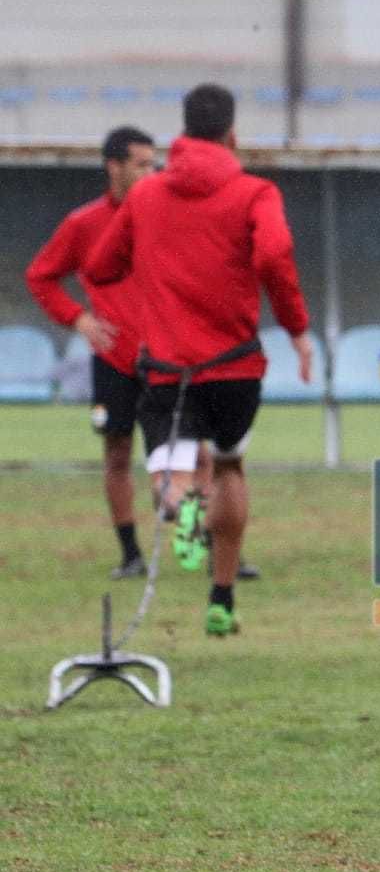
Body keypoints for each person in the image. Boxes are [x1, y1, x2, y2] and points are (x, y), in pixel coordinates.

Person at [86, 83, 311, 636]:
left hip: (167, 368)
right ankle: (222, 599)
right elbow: (276, 256)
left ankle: (177, 502)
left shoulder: (145, 196)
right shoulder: (257, 193)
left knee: (173, 469)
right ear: (232, 135)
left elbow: (100, 265)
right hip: (236, 368)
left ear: (181, 134)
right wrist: (296, 329)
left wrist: (156, 264)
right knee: (230, 466)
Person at [26, 126, 157, 579]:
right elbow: (41, 276)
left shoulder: (165, 216)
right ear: (114, 166)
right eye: (141, 164)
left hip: (167, 356)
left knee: (189, 456)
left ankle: (206, 549)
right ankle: (131, 554)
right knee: (117, 454)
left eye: (153, 163)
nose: (150, 172)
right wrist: (78, 318)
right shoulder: (84, 224)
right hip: (113, 360)